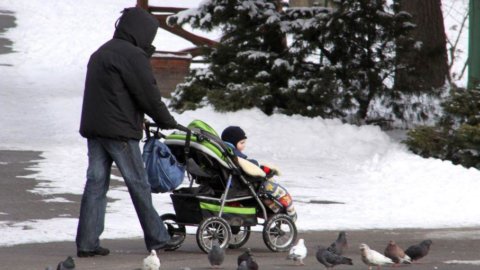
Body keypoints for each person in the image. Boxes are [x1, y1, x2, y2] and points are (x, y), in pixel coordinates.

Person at [76, 7, 181, 257]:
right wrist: (167, 121)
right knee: (139, 184)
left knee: (95, 184)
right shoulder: (132, 55)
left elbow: (114, 94)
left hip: (95, 130)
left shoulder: (102, 52)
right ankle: (157, 238)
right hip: (120, 133)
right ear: (141, 32)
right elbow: (148, 95)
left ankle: (87, 243)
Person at [221, 126, 297, 221]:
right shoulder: (235, 155)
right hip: (244, 186)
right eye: (242, 143)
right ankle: (288, 212)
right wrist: (259, 167)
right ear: (232, 143)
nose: (244, 145)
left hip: (231, 185)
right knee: (272, 191)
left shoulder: (224, 154)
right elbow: (249, 166)